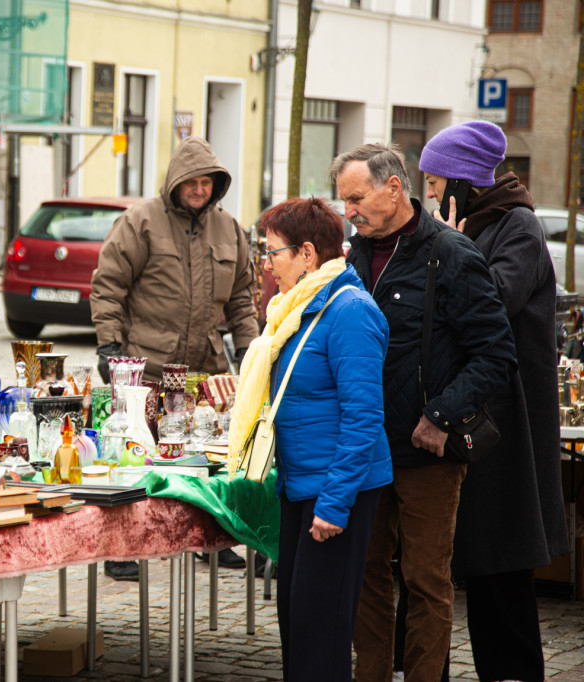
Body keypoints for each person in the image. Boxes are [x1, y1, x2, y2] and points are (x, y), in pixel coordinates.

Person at [329, 143, 517, 682]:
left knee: (426, 580)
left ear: (394, 188)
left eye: (357, 198)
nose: (349, 212)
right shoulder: (354, 254)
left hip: (427, 451)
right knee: (366, 574)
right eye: (343, 201)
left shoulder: (451, 253)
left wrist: (439, 416)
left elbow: (496, 354)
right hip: (365, 445)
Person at [419, 121, 569, 682]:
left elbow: (490, 302)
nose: (431, 195)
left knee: (502, 566)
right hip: (477, 417)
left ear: (461, 181)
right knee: (484, 564)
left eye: (435, 181)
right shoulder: (480, 223)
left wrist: (449, 248)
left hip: (509, 424)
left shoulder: (519, 228)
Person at [228, 197, 392, 681]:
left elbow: (363, 417)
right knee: (297, 621)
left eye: (272, 251)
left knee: (320, 629)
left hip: (337, 491)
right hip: (302, 486)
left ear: (306, 254)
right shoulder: (294, 309)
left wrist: (334, 503)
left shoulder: (349, 311)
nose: (265, 263)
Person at [90, 135, 260, 578]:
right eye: (192, 182)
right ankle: (122, 547)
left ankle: (212, 536)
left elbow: (243, 297)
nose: (199, 189)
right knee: (135, 460)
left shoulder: (230, 230)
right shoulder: (140, 221)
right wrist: (109, 346)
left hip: (202, 368)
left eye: (207, 182)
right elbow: (109, 284)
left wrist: (250, 349)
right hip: (145, 365)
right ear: (176, 181)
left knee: (206, 457)